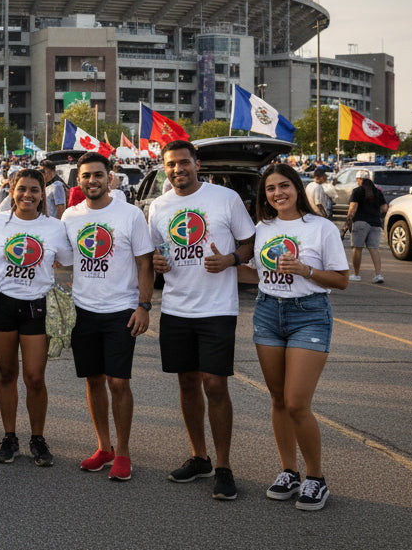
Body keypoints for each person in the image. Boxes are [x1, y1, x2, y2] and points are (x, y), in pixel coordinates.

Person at [235, 163, 349, 511]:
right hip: (269, 312)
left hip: (309, 315)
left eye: (284, 186)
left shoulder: (321, 228)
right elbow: (255, 273)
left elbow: (341, 279)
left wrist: (306, 270)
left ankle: (316, 478)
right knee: (278, 400)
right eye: (270, 189)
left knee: (298, 402)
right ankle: (289, 471)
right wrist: (218, 264)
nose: (277, 193)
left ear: (297, 188)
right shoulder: (262, 228)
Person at [149, 139, 256, 501]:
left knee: (215, 385)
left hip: (217, 309)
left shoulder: (224, 198)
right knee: (187, 384)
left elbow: (249, 242)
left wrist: (230, 260)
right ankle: (199, 457)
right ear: (165, 168)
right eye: (171, 165)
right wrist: (158, 264)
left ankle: (224, 466)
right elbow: (158, 252)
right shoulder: (159, 207)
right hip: (176, 309)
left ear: (197, 164)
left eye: (183, 163)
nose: (177, 169)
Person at [59, 153, 154, 482]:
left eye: (98, 175)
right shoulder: (70, 216)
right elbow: (64, 259)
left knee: (118, 382)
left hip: (122, 310)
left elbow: (145, 263)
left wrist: (144, 305)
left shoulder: (130, 214)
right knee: (94, 380)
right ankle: (104, 448)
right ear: (79, 180)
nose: (92, 181)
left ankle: (124, 452)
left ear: (110, 177)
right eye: (86, 176)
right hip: (83, 310)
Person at [0, 168, 72, 466]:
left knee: (34, 377)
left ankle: (37, 438)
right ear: (11, 191)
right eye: (22, 189)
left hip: (36, 306)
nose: (27, 195)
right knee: (7, 374)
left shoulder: (55, 227)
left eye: (34, 190)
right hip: (1, 303)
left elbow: (70, 260)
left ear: (42, 193)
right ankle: (9, 438)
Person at [345, 172, 387, 284]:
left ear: (359, 179)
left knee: (357, 248)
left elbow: (353, 208)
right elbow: (384, 208)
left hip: (360, 222)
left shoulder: (357, 191)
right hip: (376, 223)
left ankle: (356, 274)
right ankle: (378, 275)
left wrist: (348, 220)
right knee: (374, 249)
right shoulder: (378, 192)